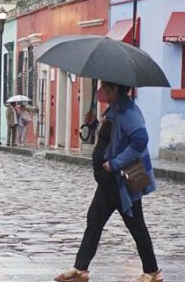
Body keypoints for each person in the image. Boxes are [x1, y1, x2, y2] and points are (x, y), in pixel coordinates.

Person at [54, 81, 162, 282]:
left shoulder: (129, 112)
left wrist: (114, 163)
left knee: (136, 224)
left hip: (119, 180)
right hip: (108, 182)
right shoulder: (116, 109)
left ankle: (152, 271)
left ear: (116, 89)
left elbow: (140, 140)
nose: (102, 90)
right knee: (94, 220)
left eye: (106, 87)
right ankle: (80, 269)